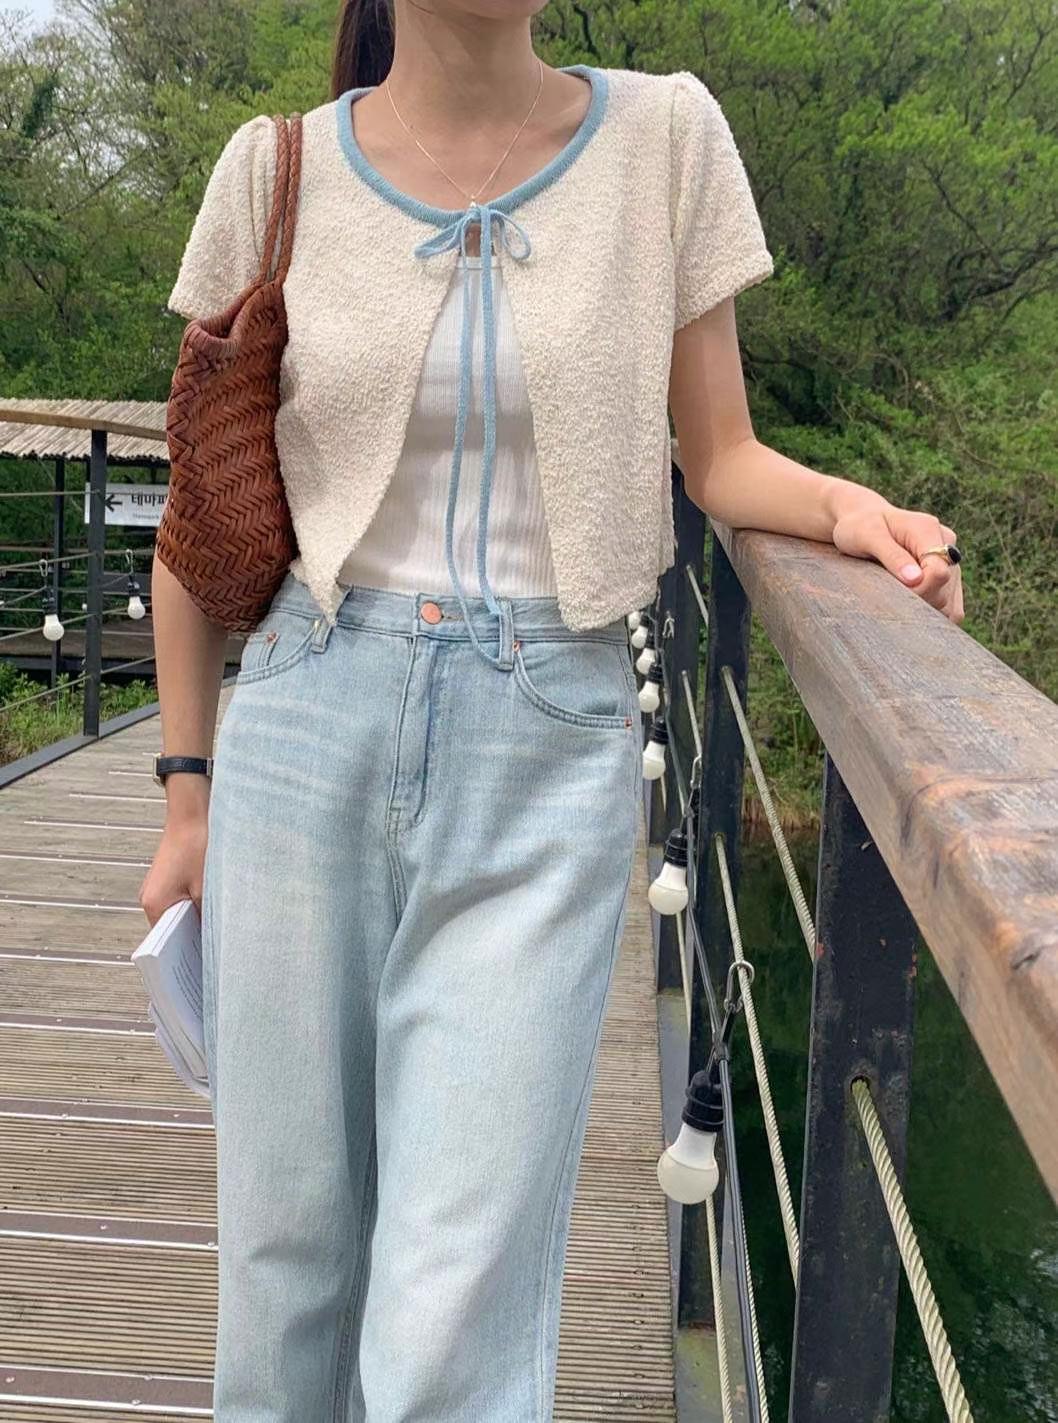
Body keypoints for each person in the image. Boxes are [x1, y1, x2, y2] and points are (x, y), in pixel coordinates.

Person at [141, 1, 965, 1419]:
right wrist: (185, 794)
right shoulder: (274, 171)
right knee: (286, 1263)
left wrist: (846, 510)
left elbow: (718, 456)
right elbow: (194, 516)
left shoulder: (665, 140)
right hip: (301, 715)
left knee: (456, 1299)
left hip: (548, 736)